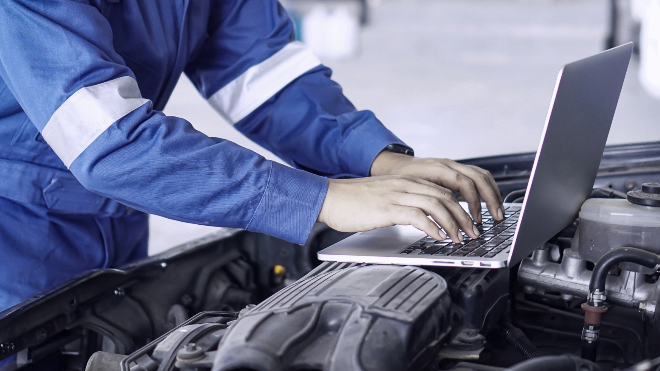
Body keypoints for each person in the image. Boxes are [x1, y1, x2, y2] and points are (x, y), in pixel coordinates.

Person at [0, 0, 503, 313]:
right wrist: (318, 197)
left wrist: (378, 159)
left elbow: (264, 76)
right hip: (16, 232)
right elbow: (112, 141)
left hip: (119, 206)